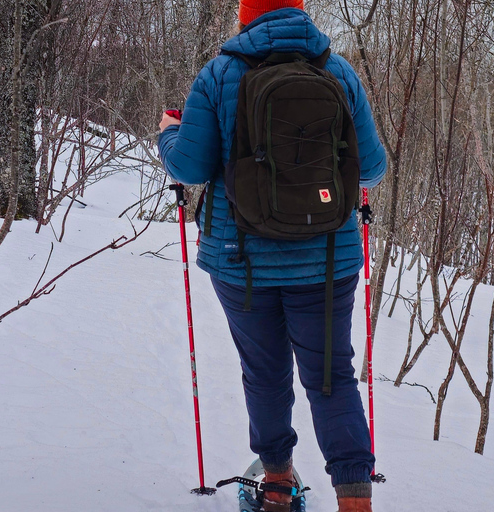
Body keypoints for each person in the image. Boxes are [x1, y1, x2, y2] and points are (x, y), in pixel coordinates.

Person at [158, 2, 386, 511]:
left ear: (246, 16)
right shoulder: (338, 71)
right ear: (300, 13)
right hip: (328, 263)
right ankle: (356, 503)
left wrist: (167, 132)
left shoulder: (220, 74)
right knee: (333, 380)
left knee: (265, 376)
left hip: (243, 264)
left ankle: (278, 489)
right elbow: (371, 170)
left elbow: (190, 167)